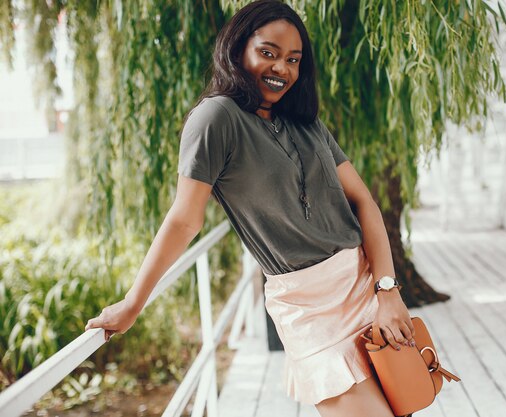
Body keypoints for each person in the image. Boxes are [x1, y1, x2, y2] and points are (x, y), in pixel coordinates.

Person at [85, 1, 416, 416]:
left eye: (293, 60)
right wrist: (133, 304)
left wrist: (388, 291)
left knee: (404, 404)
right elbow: (184, 220)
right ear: (238, 49)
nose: (282, 68)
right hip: (309, 308)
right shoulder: (215, 118)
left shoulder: (306, 122)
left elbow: (363, 200)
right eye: (268, 52)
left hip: (365, 285)